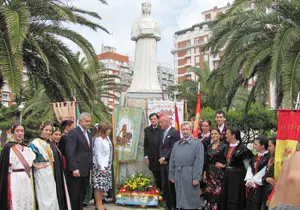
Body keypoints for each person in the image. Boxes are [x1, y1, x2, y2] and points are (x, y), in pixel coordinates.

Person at [0, 122, 36, 210]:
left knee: (27, 200)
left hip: (25, 178)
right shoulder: (8, 148)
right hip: (14, 178)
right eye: (17, 131)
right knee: (16, 201)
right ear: (13, 132)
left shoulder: (27, 149)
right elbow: (3, 167)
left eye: (22, 131)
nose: (20, 133)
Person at [169, 121, 204, 210]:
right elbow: (172, 160)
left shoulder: (197, 144)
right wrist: (171, 174)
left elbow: (199, 162)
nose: (185, 131)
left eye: (187, 129)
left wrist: (196, 177)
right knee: (180, 197)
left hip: (190, 174)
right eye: (183, 129)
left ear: (191, 130)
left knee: (190, 198)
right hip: (178, 174)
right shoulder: (177, 144)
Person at [221, 127, 254, 210]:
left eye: (227, 134)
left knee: (235, 197)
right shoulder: (227, 147)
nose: (225, 136)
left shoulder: (243, 149)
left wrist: (249, 179)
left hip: (237, 177)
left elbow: (248, 166)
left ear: (233, 135)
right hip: (228, 176)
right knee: (226, 197)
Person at [66, 112, 93, 210]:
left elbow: (89, 151)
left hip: (85, 169)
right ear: (80, 121)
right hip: (77, 169)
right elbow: (70, 152)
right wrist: (74, 168)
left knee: (82, 194)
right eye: (86, 121)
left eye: (89, 121)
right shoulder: (74, 133)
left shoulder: (89, 134)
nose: (88, 123)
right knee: (75, 195)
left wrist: (90, 167)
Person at [30, 121, 59, 209]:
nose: (48, 132)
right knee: (43, 195)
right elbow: (30, 159)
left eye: (50, 131)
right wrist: (37, 165)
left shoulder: (49, 143)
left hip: (49, 172)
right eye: (46, 130)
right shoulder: (35, 143)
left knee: (51, 194)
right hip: (40, 173)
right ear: (42, 130)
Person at [159, 115, 180, 210]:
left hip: (170, 164)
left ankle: (174, 206)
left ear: (167, 122)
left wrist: (165, 158)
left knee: (170, 186)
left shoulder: (174, 132)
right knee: (164, 186)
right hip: (163, 164)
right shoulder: (163, 133)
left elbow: (173, 148)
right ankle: (168, 205)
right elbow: (161, 147)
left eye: (161, 122)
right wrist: (161, 158)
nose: (160, 124)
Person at [245, 136, 270, 210]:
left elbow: (265, 171)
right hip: (252, 185)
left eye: (256, 144)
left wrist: (255, 180)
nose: (254, 146)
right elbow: (250, 168)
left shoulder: (268, 157)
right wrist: (249, 179)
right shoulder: (255, 157)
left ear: (262, 146)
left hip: (260, 185)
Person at [205, 128, 228, 210]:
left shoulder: (224, 146)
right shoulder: (209, 146)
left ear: (219, 135)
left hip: (219, 173)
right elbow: (206, 161)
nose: (214, 135)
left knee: (218, 192)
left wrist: (223, 165)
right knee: (209, 192)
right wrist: (204, 173)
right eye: (212, 134)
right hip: (209, 172)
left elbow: (228, 160)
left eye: (215, 133)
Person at [49, 124, 72, 210]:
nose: (58, 137)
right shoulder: (50, 146)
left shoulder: (56, 146)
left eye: (59, 135)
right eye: (56, 134)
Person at [92, 122, 113, 210]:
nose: (110, 131)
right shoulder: (98, 140)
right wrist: (101, 167)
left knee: (103, 186)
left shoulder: (107, 138)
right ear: (104, 130)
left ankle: (100, 203)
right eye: (108, 129)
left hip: (106, 164)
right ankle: (98, 205)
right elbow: (98, 154)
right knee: (98, 186)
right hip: (100, 166)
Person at [144, 113, 163, 190]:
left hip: (161, 157)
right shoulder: (147, 130)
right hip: (152, 157)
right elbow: (145, 144)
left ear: (158, 119)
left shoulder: (162, 129)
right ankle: (158, 191)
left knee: (162, 176)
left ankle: (164, 193)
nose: (153, 120)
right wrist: (146, 157)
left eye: (154, 119)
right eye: (151, 119)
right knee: (156, 175)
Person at [262, 137, 276, 210]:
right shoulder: (271, 160)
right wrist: (267, 179)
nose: (268, 148)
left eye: (270, 146)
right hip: (267, 193)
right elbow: (263, 178)